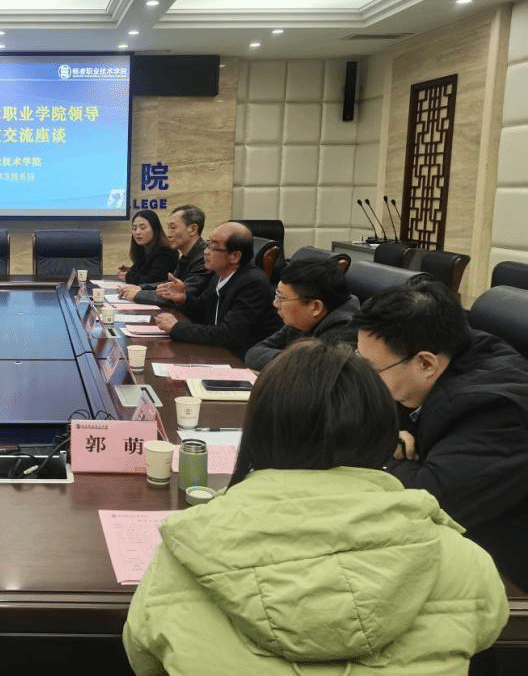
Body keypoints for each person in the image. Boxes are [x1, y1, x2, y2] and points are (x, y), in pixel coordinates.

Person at [123, 340, 508, 676]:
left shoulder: (183, 552)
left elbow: (144, 660)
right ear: (382, 431)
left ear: (258, 430)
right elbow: (483, 635)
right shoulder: (466, 561)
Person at [353, 281, 528, 591]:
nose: (364, 380)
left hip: (505, 579)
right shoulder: (447, 353)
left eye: (372, 370)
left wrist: (380, 450)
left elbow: (430, 500)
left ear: (425, 363)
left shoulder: (495, 409)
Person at [153, 221, 279, 358]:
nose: (206, 252)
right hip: (219, 352)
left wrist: (176, 327)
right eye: (208, 244)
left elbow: (228, 335)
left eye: (214, 246)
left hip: (243, 360)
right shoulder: (219, 275)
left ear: (235, 256)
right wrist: (183, 299)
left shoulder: (253, 283)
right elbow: (203, 312)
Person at [244, 257, 360, 370]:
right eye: (276, 296)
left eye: (281, 298)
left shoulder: (344, 332)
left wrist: (292, 359)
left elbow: (313, 372)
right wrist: (297, 359)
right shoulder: (302, 320)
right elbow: (254, 353)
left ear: (316, 307)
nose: (275, 303)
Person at [118, 204, 211, 307]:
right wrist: (141, 288)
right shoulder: (187, 256)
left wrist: (138, 294)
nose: (168, 234)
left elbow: (179, 294)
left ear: (193, 229)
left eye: (173, 227)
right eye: (168, 227)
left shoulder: (205, 258)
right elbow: (169, 286)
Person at [117, 209, 178, 285]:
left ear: (154, 229)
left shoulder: (165, 252)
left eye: (142, 228)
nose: (137, 232)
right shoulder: (144, 250)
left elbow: (154, 280)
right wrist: (129, 272)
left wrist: (128, 276)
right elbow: (139, 271)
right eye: (134, 228)